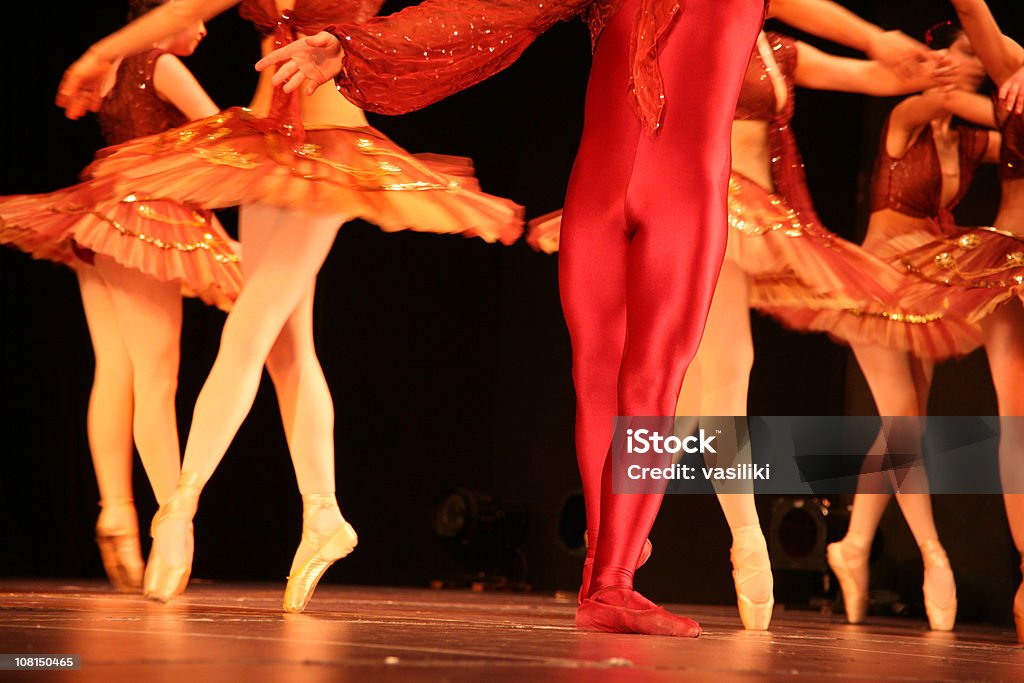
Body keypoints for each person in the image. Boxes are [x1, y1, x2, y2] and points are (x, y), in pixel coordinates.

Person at [253, 0, 936, 635]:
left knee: (604, 383)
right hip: (681, 202)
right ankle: (611, 577)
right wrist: (352, 45)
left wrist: (348, 47)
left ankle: (604, 572)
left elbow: (491, 11)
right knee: (649, 386)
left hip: (597, 193)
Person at [55, 0, 523, 612]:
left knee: (248, 331)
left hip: (329, 153)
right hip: (262, 149)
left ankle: (179, 508)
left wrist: (104, 52)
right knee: (287, 352)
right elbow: (190, 4)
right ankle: (324, 515)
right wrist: (105, 51)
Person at [0, 0, 240, 591]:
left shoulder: (111, 64)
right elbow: (217, 141)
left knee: (114, 370)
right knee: (157, 380)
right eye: (193, 16)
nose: (204, 27)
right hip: (145, 222)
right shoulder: (160, 61)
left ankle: (115, 507)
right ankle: (168, 524)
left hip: (97, 215)